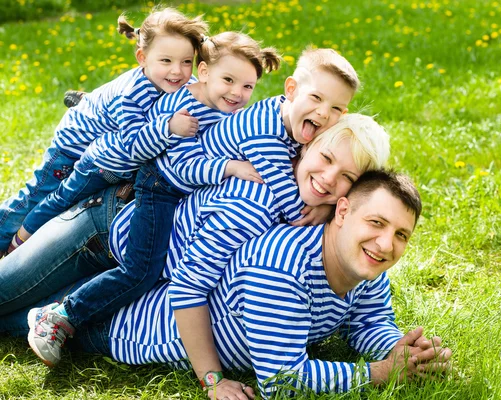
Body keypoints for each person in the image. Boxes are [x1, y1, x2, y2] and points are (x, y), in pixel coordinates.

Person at [1, 113, 390, 394]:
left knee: (39, 314)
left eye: (347, 178)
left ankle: (56, 312)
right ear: (306, 147)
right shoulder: (253, 202)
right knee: (6, 289)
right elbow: (188, 288)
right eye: (325, 160)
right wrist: (212, 379)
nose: (328, 178)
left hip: (143, 276)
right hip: (107, 232)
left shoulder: (318, 216)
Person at [0, 170, 452, 399]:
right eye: (377, 223)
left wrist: (400, 350)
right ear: (343, 211)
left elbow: (369, 321)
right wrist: (376, 374)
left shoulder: (364, 265)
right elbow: (282, 379)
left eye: (401, 235)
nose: (386, 243)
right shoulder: (283, 268)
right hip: (118, 323)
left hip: (128, 276)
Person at [4, 7, 208, 254]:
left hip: (102, 141)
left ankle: (91, 100)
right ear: (142, 58)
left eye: (187, 62)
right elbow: (133, 144)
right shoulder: (131, 95)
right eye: (166, 60)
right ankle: (7, 240)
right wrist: (168, 127)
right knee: (38, 195)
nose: (178, 71)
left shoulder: (177, 81)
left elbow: (203, 92)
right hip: (74, 145)